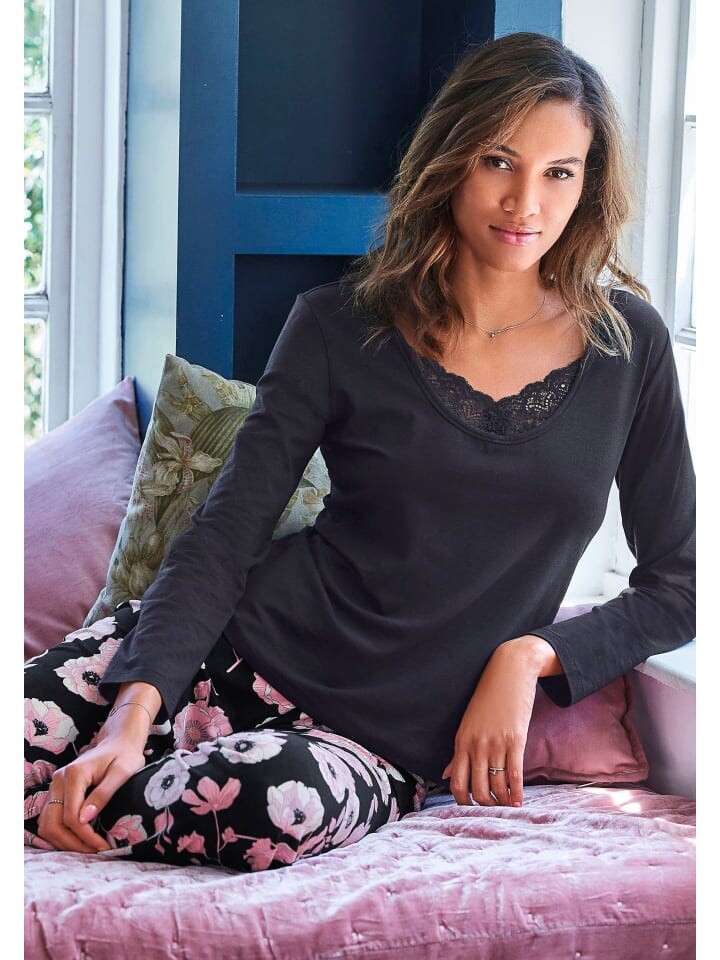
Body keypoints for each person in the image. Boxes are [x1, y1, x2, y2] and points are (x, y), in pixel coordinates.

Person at [24, 31, 695, 872]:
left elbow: (681, 587)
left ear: (590, 184)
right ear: (452, 159)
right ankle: (83, 787)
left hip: (372, 746)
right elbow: (225, 535)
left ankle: (67, 806)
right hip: (226, 646)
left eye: (560, 172)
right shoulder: (339, 326)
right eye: (498, 161)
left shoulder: (629, 346)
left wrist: (529, 655)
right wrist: (129, 721)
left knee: (273, 806)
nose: (526, 202)